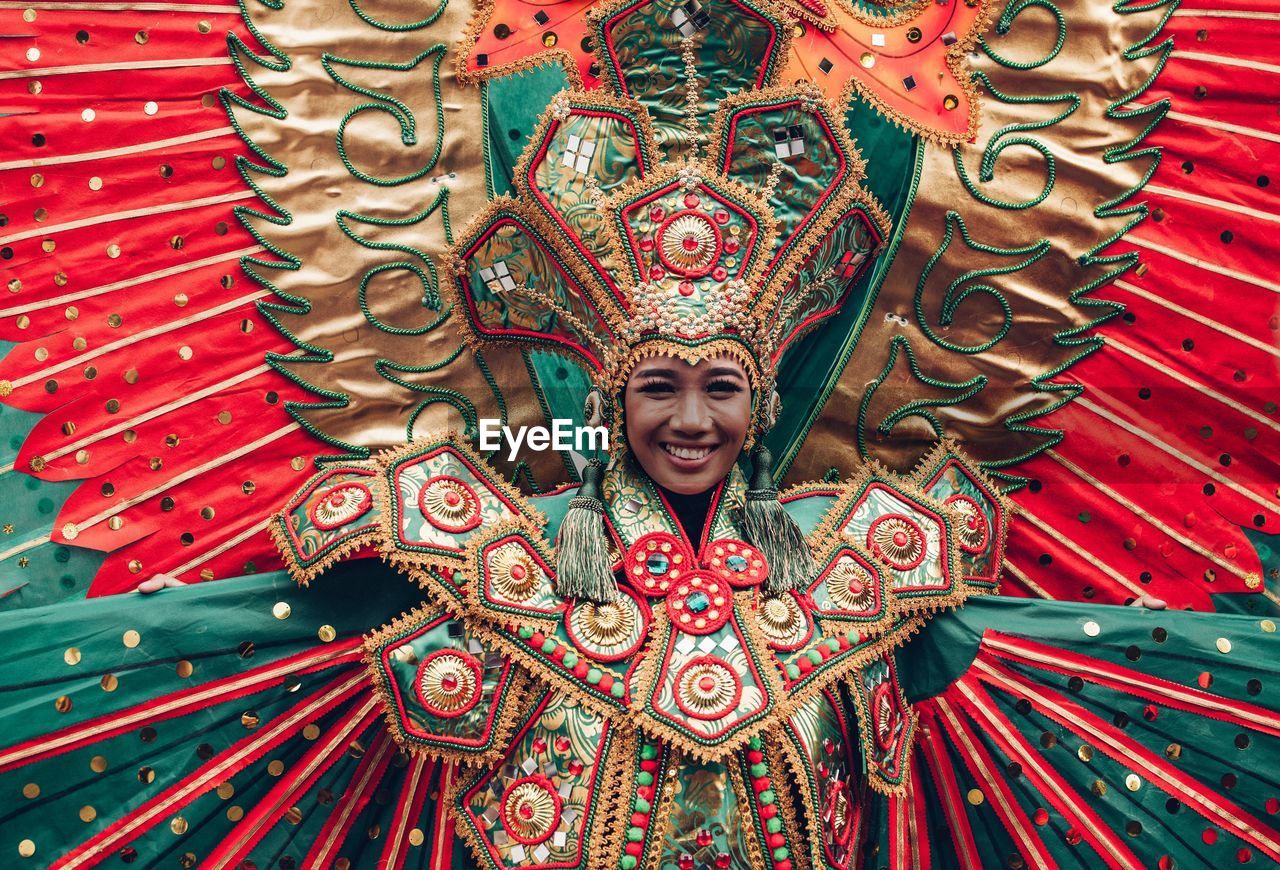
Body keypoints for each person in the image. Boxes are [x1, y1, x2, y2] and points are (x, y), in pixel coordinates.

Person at [1, 19, 1277, 870]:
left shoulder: (867, 570)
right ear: (609, 398)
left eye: (719, 387)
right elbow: (260, 638)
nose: (689, 420)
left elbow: (1030, 694)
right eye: (656, 386)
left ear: (762, 400)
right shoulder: (477, 555)